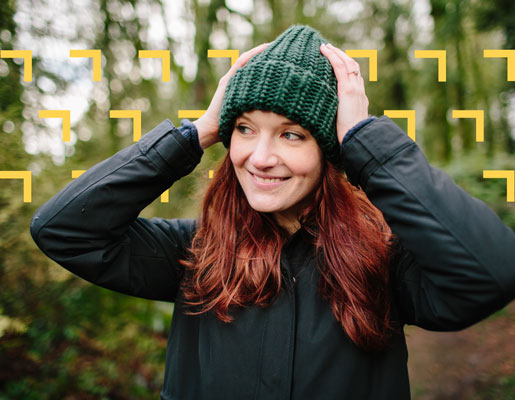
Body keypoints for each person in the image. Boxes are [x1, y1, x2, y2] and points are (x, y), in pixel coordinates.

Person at [30, 25, 515, 400]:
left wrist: (368, 142)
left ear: (331, 152)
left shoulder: (382, 261)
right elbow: (63, 228)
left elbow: (490, 271)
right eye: (244, 128)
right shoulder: (194, 253)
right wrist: (193, 134)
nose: (259, 157)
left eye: (291, 134)